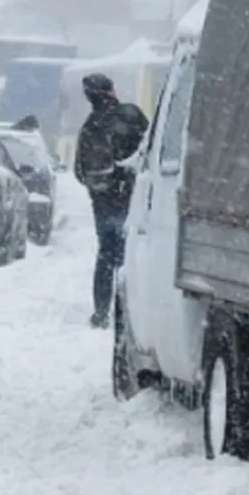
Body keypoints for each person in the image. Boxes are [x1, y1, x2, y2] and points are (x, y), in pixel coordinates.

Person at [73, 73, 149, 329]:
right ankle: (131, 313)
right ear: (110, 90)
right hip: (131, 198)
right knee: (132, 255)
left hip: (103, 202)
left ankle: (101, 312)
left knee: (106, 255)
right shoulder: (130, 115)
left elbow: (79, 172)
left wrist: (101, 190)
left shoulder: (89, 126)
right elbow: (151, 151)